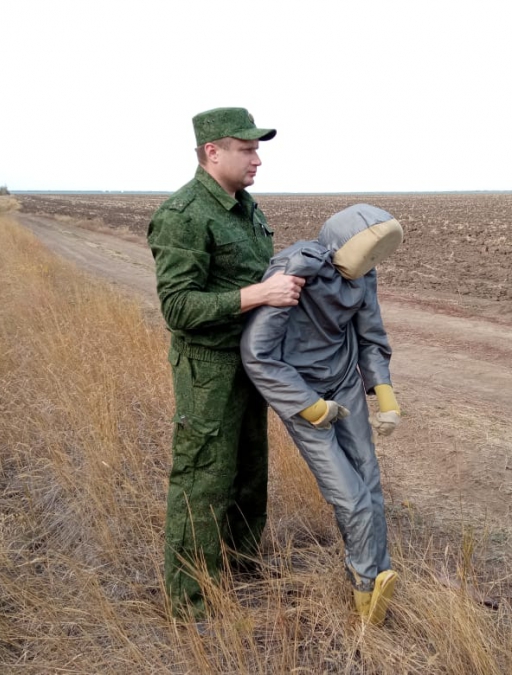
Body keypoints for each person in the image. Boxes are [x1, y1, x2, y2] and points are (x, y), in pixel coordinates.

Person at [147, 107, 305, 619]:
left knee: (247, 474)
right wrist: (259, 294)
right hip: (208, 370)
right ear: (212, 152)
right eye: (247, 148)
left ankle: (240, 568)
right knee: (202, 479)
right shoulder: (185, 214)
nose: (257, 159)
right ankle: (192, 604)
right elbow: (178, 307)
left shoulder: (245, 207)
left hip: (250, 365)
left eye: (258, 149)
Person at [240, 203, 403, 625]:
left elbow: (371, 338)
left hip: (345, 380)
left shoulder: (363, 276)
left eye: (377, 256)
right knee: (351, 495)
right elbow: (257, 353)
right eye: (365, 251)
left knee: (370, 479)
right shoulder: (297, 271)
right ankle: (365, 583)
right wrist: (310, 406)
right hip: (302, 393)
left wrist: (385, 396)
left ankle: (377, 572)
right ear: (338, 244)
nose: (370, 263)